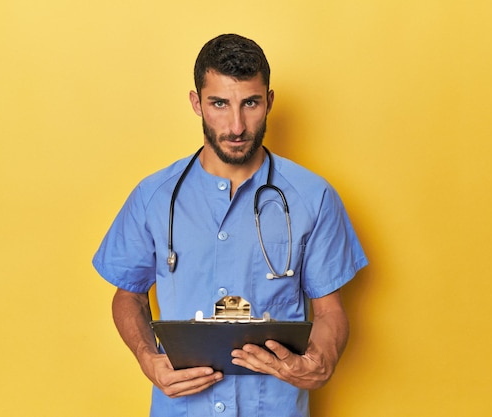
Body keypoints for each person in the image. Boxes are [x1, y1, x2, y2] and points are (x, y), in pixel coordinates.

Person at [92, 33, 367, 417]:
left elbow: (329, 311)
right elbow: (129, 296)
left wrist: (321, 358)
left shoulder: (313, 197)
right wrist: (147, 358)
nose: (236, 126)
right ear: (196, 103)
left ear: (269, 101)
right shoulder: (154, 196)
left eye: (250, 103)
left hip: (274, 407)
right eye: (219, 104)